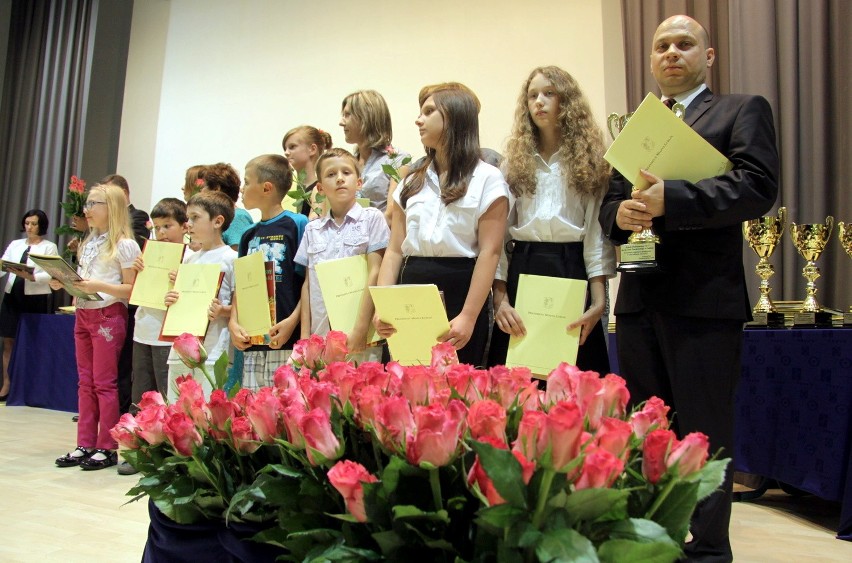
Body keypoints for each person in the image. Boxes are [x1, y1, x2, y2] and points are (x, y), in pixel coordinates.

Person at [598, 15, 779, 562]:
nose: (672, 53)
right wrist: (622, 214)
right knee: (649, 433)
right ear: (651, 59)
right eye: (661, 46)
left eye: (684, 44)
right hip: (638, 301)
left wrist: (669, 200)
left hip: (704, 303)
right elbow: (608, 204)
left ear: (710, 55)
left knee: (703, 434)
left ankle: (707, 553)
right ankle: (654, 545)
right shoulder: (637, 124)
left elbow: (756, 187)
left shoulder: (740, 110)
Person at [487, 66, 614, 375]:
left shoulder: (590, 161)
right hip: (524, 265)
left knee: (573, 374)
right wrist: (500, 300)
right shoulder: (513, 164)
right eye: (532, 95)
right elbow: (500, 239)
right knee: (521, 375)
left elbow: (595, 235)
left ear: (567, 101)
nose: (539, 102)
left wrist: (598, 301)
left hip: (571, 267)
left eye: (549, 93)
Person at [374, 83, 509, 366]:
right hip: (410, 287)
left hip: (461, 288)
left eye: (429, 111)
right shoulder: (412, 179)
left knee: (455, 392)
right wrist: (383, 305)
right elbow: (395, 249)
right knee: (404, 388)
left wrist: (469, 316)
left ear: (454, 117)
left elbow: (490, 252)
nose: (418, 120)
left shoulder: (488, 178)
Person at [53, 184, 140, 470]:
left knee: (104, 383)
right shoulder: (89, 241)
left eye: (94, 204)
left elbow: (130, 290)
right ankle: (85, 442)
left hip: (107, 315)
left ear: (111, 207)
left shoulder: (125, 244)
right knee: (85, 382)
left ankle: (107, 445)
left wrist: (97, 286)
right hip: (83, 312)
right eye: (87, 204)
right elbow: (84, 281)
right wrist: (63, 281)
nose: (87, 210)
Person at [294, 148, 389, 362]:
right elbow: (308, 285)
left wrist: (361, 328)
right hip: (321, 338)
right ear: (320, 187)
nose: (339, 179)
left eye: (346, 172)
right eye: (330, 174)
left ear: (359, 182)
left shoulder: (372, 218)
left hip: (359, 336)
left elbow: (375, 272)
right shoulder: (312, 229)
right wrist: (305, 338)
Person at [229, 154, 307, 390]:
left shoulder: (297, 223)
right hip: (252, 343)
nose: (242, 188)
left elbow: (309, 281)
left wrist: (293, 322)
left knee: (286, 413)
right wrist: (233, 322)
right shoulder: (248, 235)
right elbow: (241, 287)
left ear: (266, 187)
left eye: (247, 181)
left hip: (286, 342)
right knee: (255, 415)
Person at [164, 191, 237, 400]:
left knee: (206, 415)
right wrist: (171, 301)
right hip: (181, 352)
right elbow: (180, 304)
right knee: (177, 413)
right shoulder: (189, 260)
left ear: (218, 221)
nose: (189, 224)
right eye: (188, 218)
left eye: (195, 218)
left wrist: (223, 310)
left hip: (213, 352)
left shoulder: (231, 258)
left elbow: (241, 308)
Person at [0, 209, 59, 401]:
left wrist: (32, 276)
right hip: (13, 295)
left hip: (35, 297)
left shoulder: (48, 247)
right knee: (8, 341)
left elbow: (52, 274)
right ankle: (7, 384)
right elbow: (4, 265)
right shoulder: (16, 244)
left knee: (33, 343)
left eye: (34, 224)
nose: (30, 227)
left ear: (41, 225)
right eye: (27, 223)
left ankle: (30, 387)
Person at [339, 90, 411, 219]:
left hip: (381, 237)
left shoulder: (398, 159)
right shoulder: (349, 163)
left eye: (347, 115)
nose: (341, 122)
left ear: (366, 117)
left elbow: (391, 215)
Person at [199, 162, 255, 250]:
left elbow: (238, 256)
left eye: (204, 186)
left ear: (216, 189)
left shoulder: (237, 217)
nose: (201, 191)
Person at [282, 125, 333, 218]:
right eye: (285, 149)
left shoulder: (322, 188)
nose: (286, 152)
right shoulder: (286, 189)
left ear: (312, 149)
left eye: (292, 147)